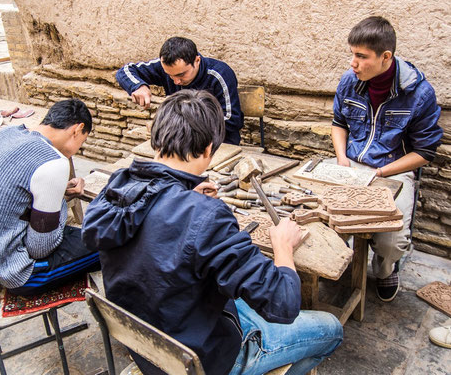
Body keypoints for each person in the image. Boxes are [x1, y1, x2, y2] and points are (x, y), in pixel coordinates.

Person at [82, 89, 342, 375]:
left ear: (155, 135)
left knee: (236, 290)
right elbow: (283, 304)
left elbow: (153, 220)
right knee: (331, 329)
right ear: (208, 149)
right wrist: (282, 246)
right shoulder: (206, 216)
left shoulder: (117, 186)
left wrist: (180, 195)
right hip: (204, 359)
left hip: (149, 345)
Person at [331, 16, 443, 302]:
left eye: (361, 56)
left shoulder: (419, 94)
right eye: (352, 54)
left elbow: (424, 152)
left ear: (386, 57)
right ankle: (339, 261)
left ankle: (385, 268)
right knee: (326, 219)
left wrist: (381, 173)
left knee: (391, 240)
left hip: (393, 170)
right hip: (352, 164)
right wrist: (342, 159)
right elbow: (338, 123)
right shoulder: (349, 80)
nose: (352, 63)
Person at [0, 99, 100, 296]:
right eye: (82, 141)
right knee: (113, 243)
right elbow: (40, 248)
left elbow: (13, 192)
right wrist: (56, 196)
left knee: (89, 235)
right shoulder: (53, 162)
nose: (78, 148)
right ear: (77, 129)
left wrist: (57, 190)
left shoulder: (8, 134)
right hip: (18, 271)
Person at [116, 36, 244, 145]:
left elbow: (232, 120)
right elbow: (125, 71)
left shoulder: (220, 74)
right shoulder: (166, 66)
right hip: (182, 141)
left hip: (218, 142)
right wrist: (138, 86)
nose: (176, 82)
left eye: (181, 75)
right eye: (170, 75)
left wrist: (186, 125)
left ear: (197, 61)